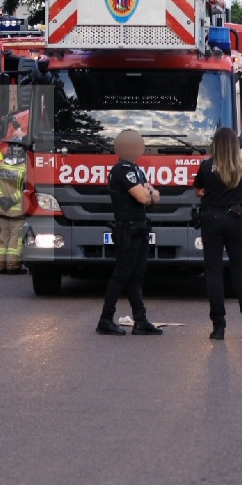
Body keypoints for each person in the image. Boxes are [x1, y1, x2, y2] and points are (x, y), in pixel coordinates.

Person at [194, 127, 242, 341]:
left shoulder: (206, 166)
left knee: (213, 273)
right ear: (235, 145)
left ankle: (218, 327)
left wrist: (207, 192)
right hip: (235, 220)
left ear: (215, 144)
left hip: (211, 219)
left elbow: (199, 190)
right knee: (241, 273)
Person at [97, 130, 163, 335]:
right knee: (122, 275)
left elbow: (156, 197)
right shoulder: (122, 169)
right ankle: (105, 319)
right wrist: (148, 191)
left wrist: (149, 192)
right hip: (128, 228)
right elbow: (144, 198)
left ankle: (140, 320)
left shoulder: (135, 169)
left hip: (139, 228)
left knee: (137, 276)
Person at [0, 139, 28, 274]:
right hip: (17, 211)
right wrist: (12, 200)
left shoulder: (0, 167)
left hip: (0, 210)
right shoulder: (24, 168)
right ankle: (12, 266)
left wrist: (0, 199)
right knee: (15, 239)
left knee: (1, 238)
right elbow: (25, 189)